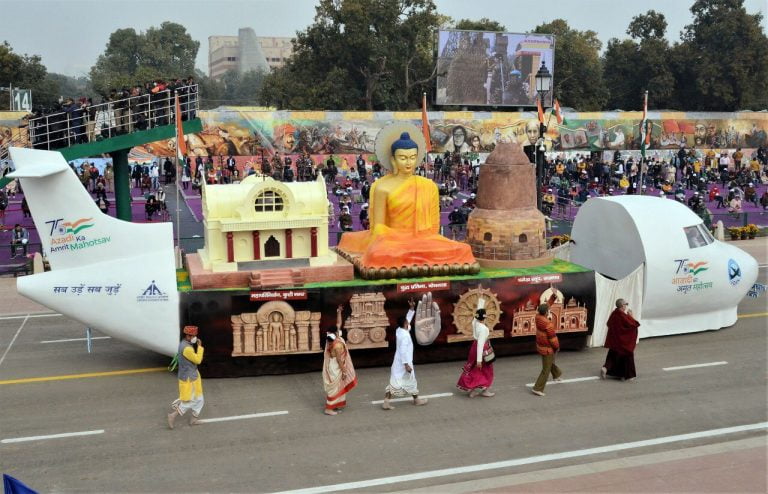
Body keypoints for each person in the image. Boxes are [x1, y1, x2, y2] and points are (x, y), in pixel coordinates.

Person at [337, 130, 475, 273]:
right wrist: (396, 238)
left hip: (424, 240)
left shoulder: (429, 186)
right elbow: (378, 227)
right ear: (393, 160)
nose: (409, 163)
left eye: (412, 157)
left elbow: (434, 228)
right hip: (392, 239)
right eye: (403, 158)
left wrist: (420, 240)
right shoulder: (382, 188)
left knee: (462, 250)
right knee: (378, 254)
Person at [382, 299, 428, 410]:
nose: (409, 323)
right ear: (405, 324)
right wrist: (406, 364)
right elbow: (403, 350)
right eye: (407, 323)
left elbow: (407, 319)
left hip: (402, 361)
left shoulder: (400, 330)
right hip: (403, 362)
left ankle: (415, 400)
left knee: (409, 380)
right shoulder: (404, 336)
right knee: (397, 382)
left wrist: (412, 309)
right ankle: (387, 402)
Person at [456, 298, 496, 398]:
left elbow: (478, 313)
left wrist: (481, 301)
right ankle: (485, 390)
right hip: (481, 350)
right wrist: (479, 360)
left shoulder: (475, 323)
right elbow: (481, 344)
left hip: (473, 348)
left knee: (474, 369)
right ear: (485, 318)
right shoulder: (484, 329)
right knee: (488, 370)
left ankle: (472, 390)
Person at [168, 325, 205, 429]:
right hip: (190, 379)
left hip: (192, 376)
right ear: (188, 336)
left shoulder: (183, 343)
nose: (195, 338)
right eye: (194, 336)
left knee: (200, 399)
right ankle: (173, 415)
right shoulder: (187, 348)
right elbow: (198, 360)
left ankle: (193, 419)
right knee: (191, 400)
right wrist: (200, 347)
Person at [322, 309, 357, 416]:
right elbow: (338, 360)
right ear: (336, 333)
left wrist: (338, 312)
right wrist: (344, 371)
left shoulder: (332, 338)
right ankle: (328, 409)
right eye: (338, 330)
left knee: (339, 386)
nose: (339, 329)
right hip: (336, 366)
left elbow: (338, 323)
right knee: (335, 387)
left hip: (334, 364)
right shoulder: (337, 345)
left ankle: (336, 405)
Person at [601, 299, 640, 381]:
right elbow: (634, 325)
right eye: (626, 304)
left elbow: (608, 324)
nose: (626, 305)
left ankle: (605, 368)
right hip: (623, 341)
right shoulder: (623, 316)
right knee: (627, 355)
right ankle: (625, 375)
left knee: (612, 355)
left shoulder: (614, 314)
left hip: (615, 340)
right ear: (622, 306)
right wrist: (631, 316)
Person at [531, 294, 562, 396]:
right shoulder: (548, 324)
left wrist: (553, 297)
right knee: (546, 369)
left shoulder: (538, 316)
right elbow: (553, 339)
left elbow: (546, 306)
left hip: (541, 345)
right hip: (548, 348)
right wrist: (557, 347)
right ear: (547, 313)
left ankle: (556, 375)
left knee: (549, 362)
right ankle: (537, 388)